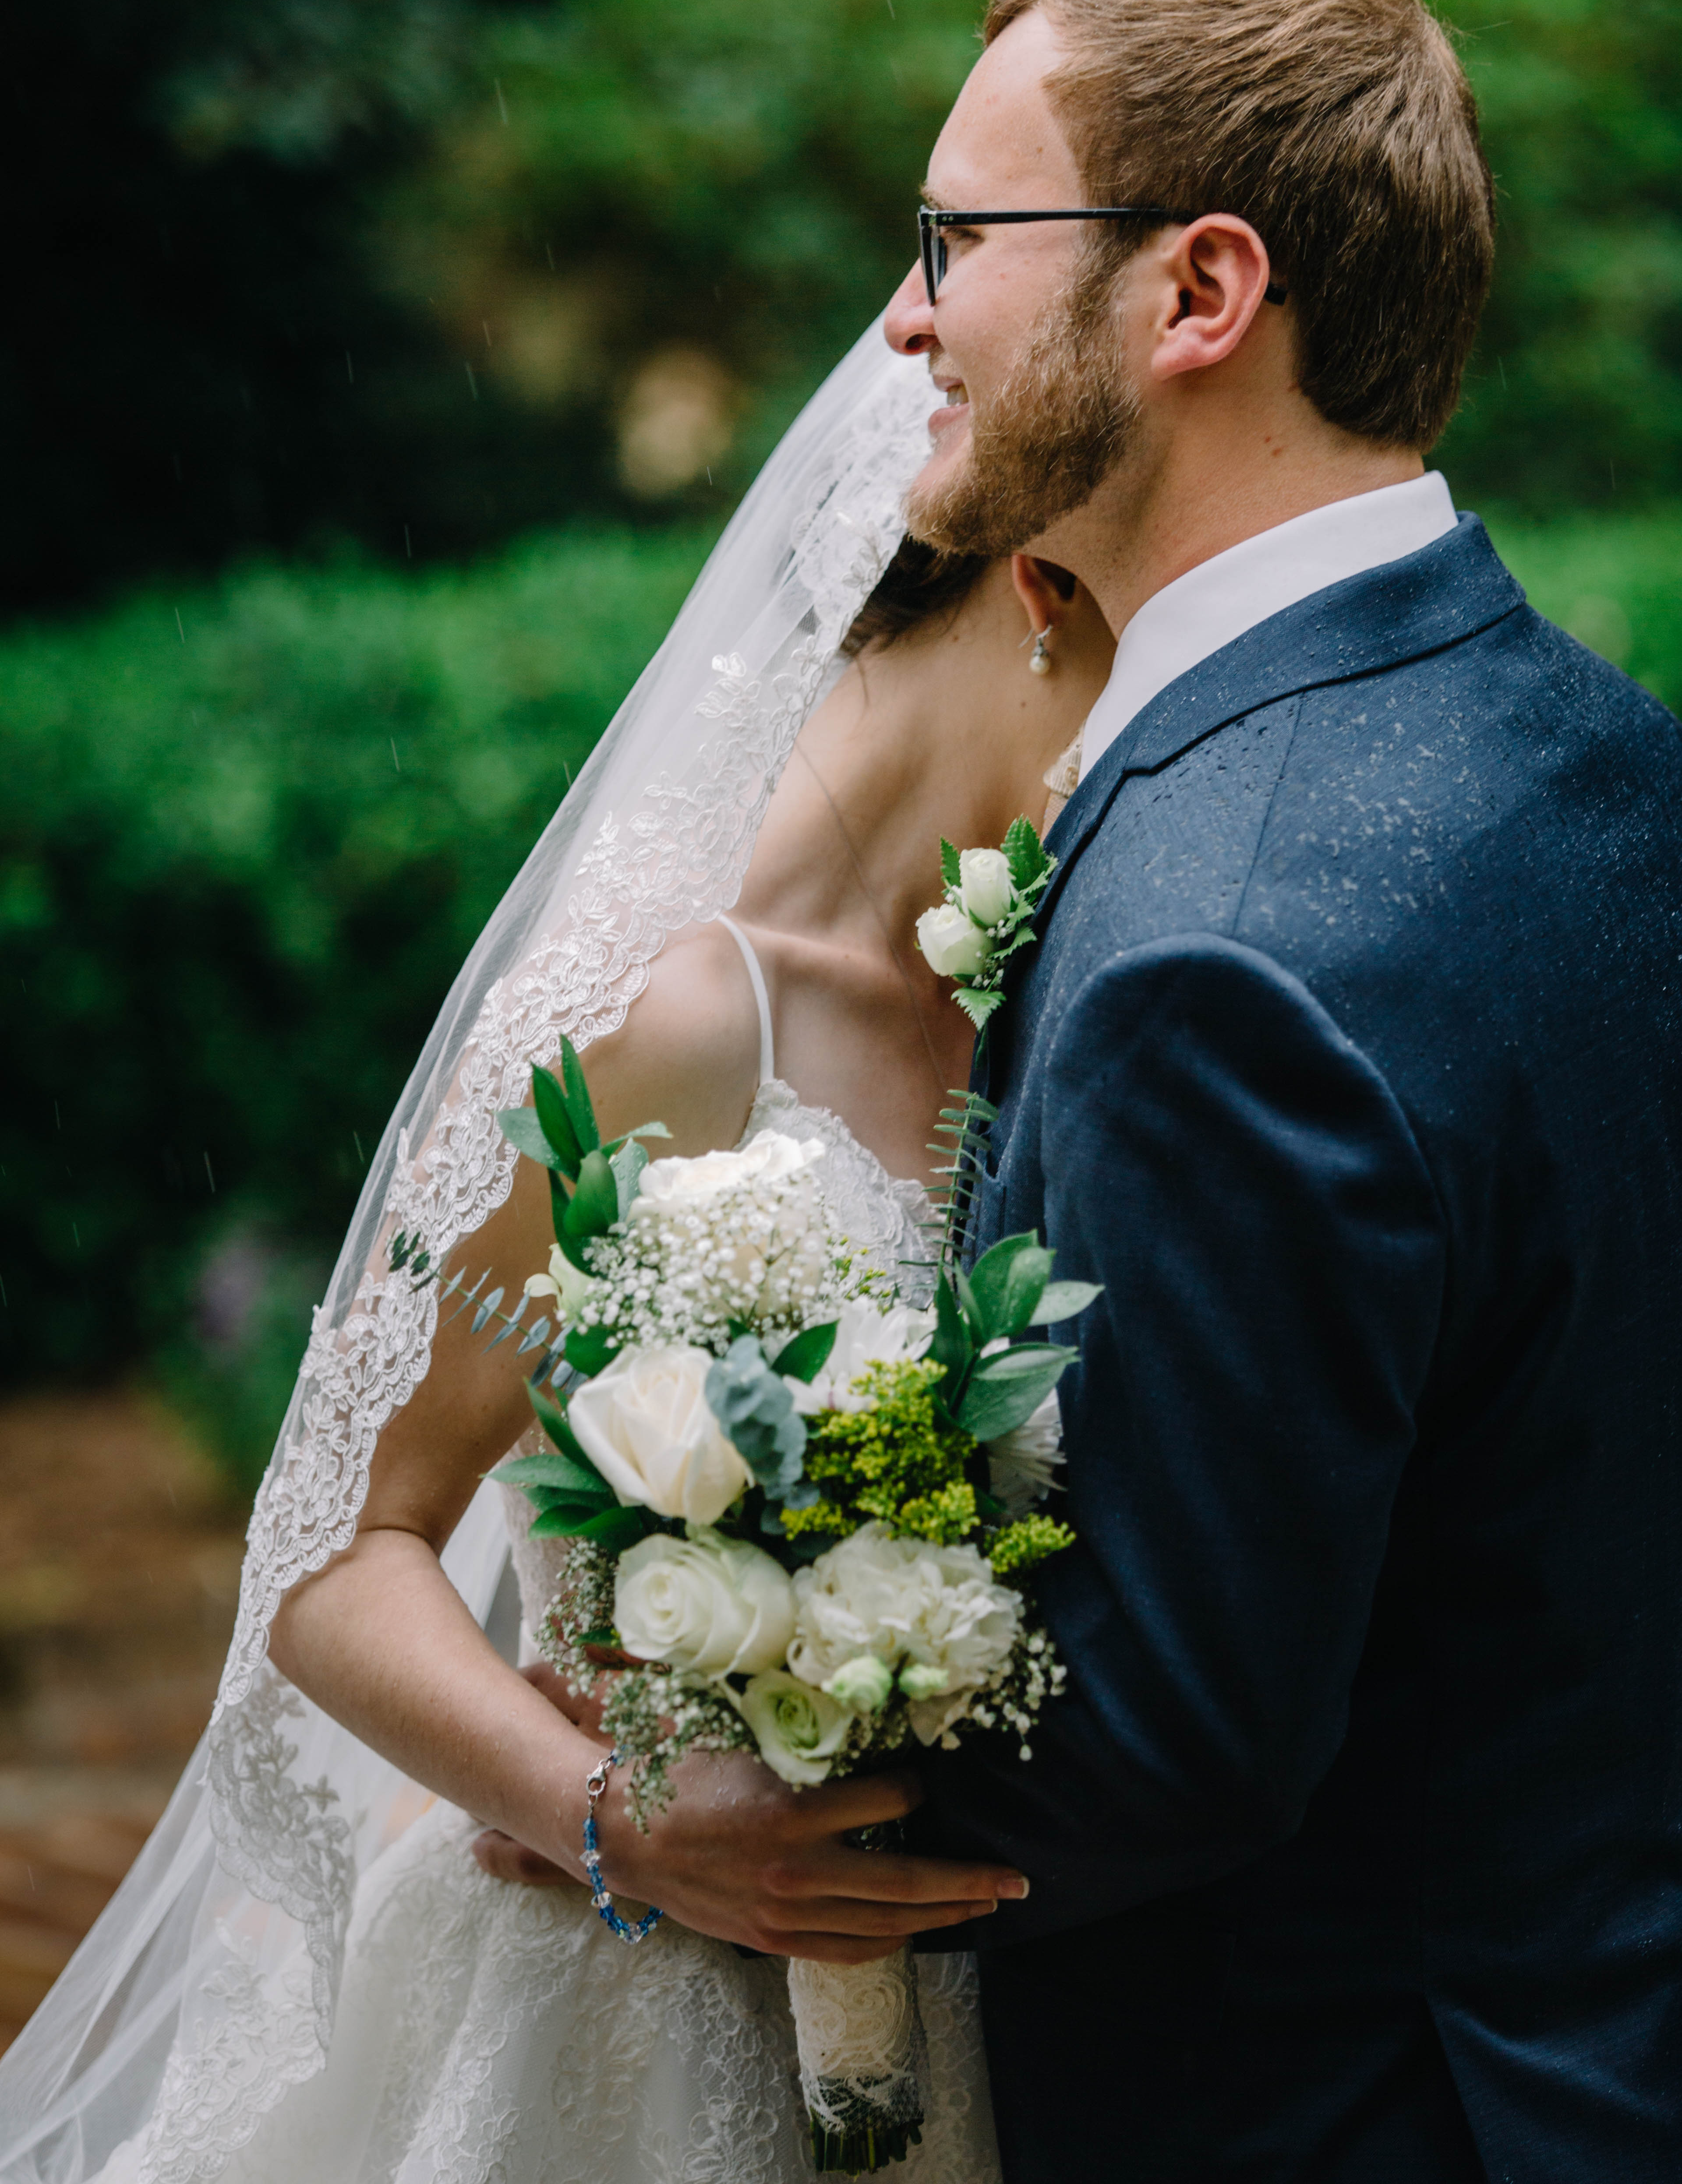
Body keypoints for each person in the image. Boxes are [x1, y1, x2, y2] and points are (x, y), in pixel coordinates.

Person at [0, 303, 1113, 2180]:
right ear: (1042, 590)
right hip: (607, 2016)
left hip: (949, 2024)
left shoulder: (1029, 998)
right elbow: (340, 1548)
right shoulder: (670, 1017)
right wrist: (616, 1811)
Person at [876, 0, 1682, 2180]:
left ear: (1201, 294)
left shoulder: (1216, 947)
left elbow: (1161, 1741)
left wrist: (674, 1787)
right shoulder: (1594, 747)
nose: (910, 313)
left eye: (960, 235)